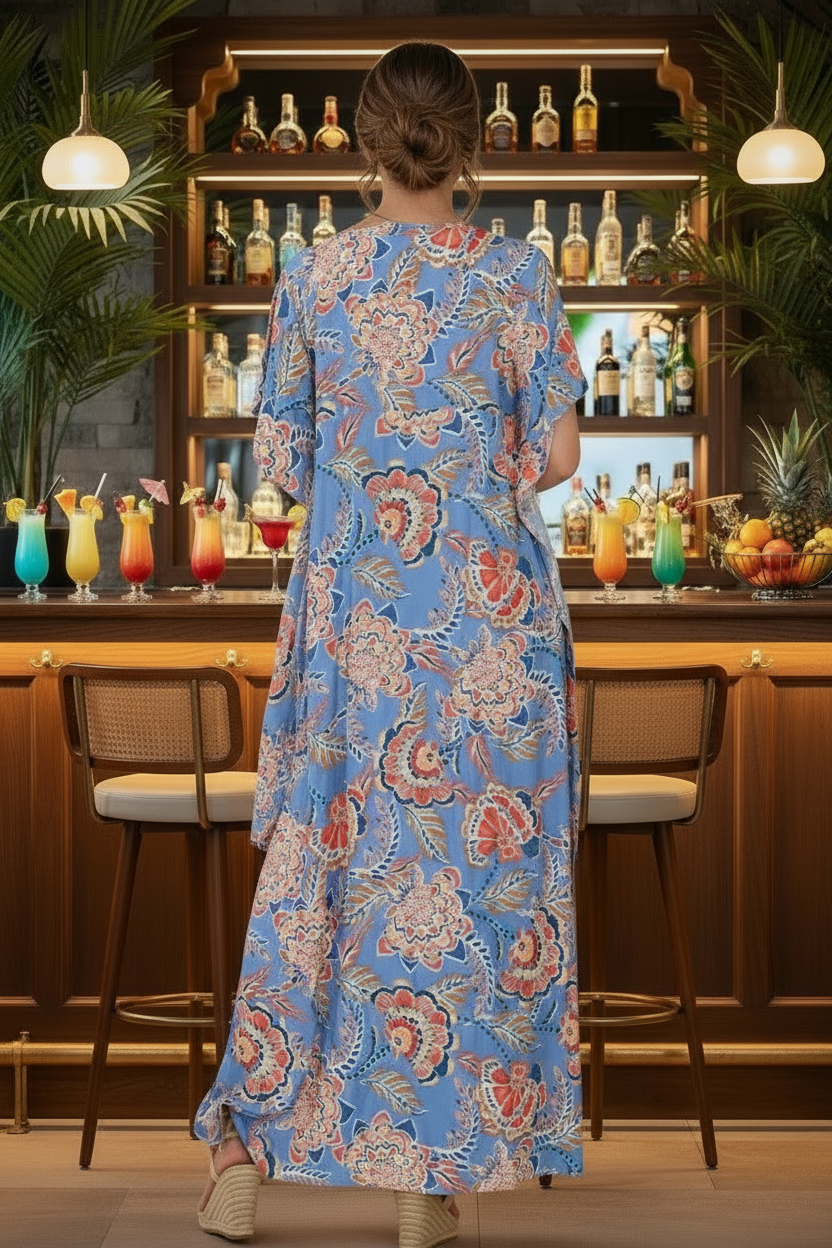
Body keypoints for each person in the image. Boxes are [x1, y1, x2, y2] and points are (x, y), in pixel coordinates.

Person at [195, 40, 586, 1248]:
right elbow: (562, 460)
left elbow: (282, 468)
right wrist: (475, 475)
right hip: (489, 637)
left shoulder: (311, 280)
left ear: (366, 143)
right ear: (471, 139)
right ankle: (431, 1187)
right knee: (469, 889)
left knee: (316, 881)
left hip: (355, 630)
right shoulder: (517, 276)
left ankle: (241, 1171)